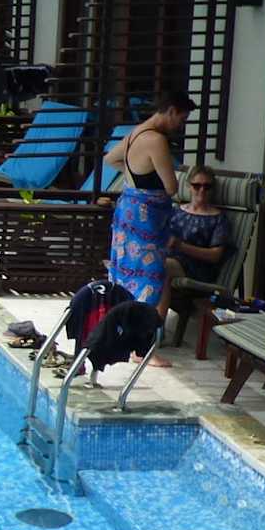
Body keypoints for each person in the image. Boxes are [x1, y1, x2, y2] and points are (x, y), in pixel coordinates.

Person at [103, 92, 192, 358]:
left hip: (128, 212)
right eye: (182, 119)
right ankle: (140, 349)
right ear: (171, 110)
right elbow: (171, 186)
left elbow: (111, 159)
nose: (181, 125)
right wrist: (148, 180)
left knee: (128, 275)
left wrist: (134, 177)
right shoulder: (156, 139)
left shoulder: (135, 133)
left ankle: (126, 337)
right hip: (146, 219)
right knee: (149, 278)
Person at [164, 166, 232, 300]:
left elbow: (215, 255)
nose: (202, 190)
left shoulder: (219, 219)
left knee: (159, 266)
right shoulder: (176, 211)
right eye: (196, 186)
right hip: (168, 257)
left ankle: (155, 312)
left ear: (212, 189)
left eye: (207, 187)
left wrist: (180, 245)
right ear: (189, 187)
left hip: (195, 268)